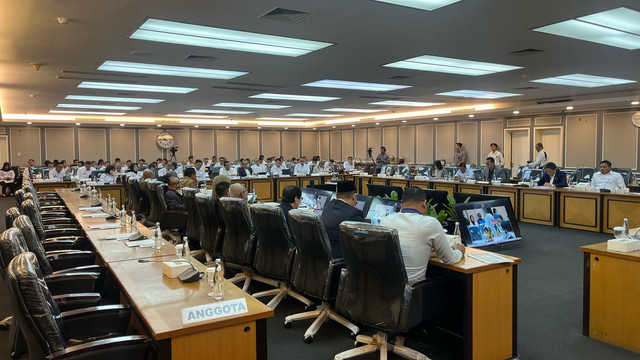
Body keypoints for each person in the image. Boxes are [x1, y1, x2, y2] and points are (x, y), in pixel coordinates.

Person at [380, 186, 465, 282]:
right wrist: (459, 251)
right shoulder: (430, 223)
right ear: (424, 204)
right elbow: (450, 259)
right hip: (414, 289)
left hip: (387, 287)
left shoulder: (386, 221)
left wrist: (426, 252)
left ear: (401, 204)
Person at [322, 181, 365, 258]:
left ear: (337, 195)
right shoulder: (354, 213)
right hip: (342, 259)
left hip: (325, 256)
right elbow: (363, 240)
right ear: (354, 197)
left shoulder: (328, 206)